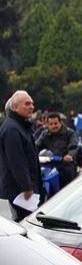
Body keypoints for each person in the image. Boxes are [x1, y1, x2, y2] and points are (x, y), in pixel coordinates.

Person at [0, 91, 41, 222]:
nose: (31, 107)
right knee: (23, 223)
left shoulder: (21, 125)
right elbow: (16, 161)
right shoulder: (12, 129)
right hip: (19, 191)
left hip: (24, 188)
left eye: (32, 104)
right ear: (15, 107)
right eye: (27, 104)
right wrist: (27, 187)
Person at [35, 112, 79, 190]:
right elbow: (37, 146)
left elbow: (73, 146)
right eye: (51, 124)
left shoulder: (69, 133)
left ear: (60, 122)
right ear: (47, 124)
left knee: (67, 185)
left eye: (55, 123)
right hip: (49, 165)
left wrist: (69, 155)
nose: (53, 126)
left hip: (65, 164)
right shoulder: (44, 134)